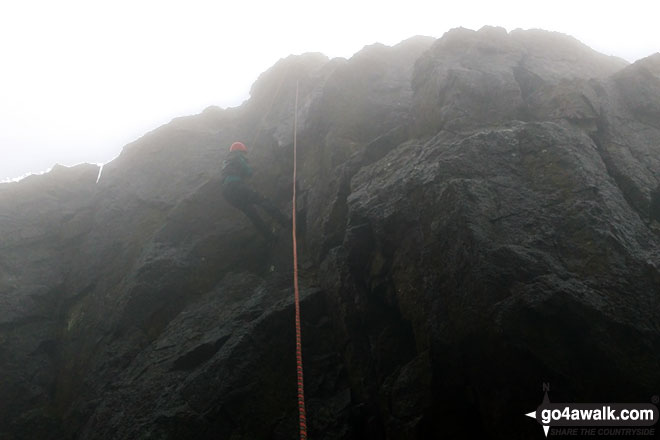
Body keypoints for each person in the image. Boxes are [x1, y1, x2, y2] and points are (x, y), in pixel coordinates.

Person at [221, 141, 289, 240]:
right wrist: (249, 167)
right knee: (263, 201)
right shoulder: (238, 156)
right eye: (243, 153)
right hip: (236, 186)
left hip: (227, 193)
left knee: (252, 214)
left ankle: (271, 238)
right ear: (240, 151)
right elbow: (248, 172)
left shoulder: (226, 161)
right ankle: (285, 222)